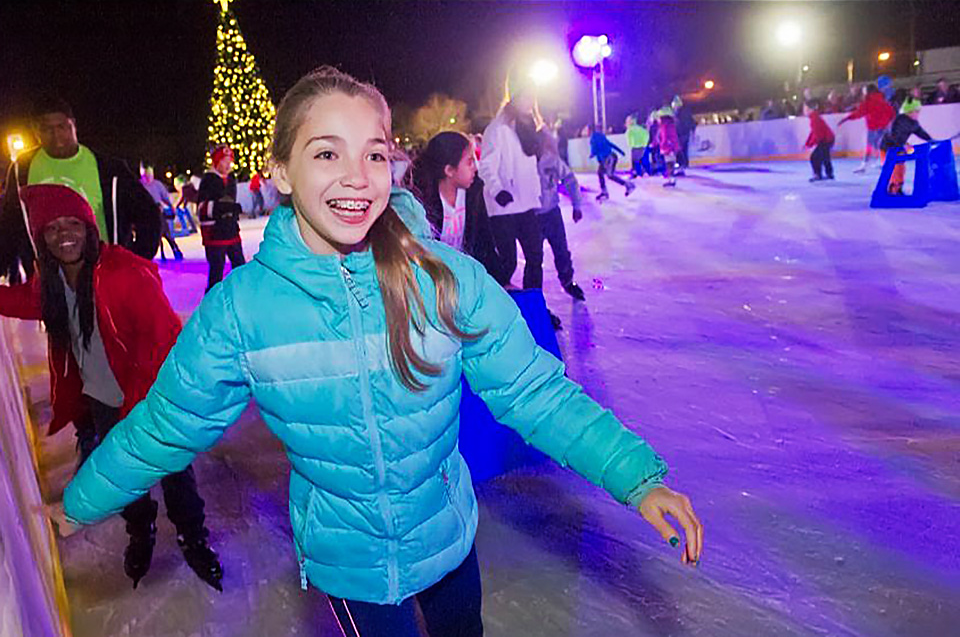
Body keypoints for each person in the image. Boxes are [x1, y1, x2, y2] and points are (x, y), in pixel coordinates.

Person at [63, 66, 703, 637]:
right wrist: (75, 505)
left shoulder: (441, 277)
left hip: (447, 539)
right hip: (352, 568)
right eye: (325, 153)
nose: (355, 178)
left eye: (373, 154)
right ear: (281, 172)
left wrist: (635, 478)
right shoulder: (242, 312)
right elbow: (165, 425)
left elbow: (534, 388)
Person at [0, 184, 223, 591]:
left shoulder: (124, 274)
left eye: (72, 224)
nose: (64, 234)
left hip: (152, 401)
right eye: (51, 228)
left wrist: (148, 410)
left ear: (89, 227)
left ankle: (194, 537)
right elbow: (16, 301)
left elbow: (166, 342)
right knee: (124, 478)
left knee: (175, 475)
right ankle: (141, 531)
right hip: (103, 401)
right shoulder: (51, 284)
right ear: (40, 238)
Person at [0, 95, 160, 283]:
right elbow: (9, 225)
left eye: (62, 127)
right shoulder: (22, 170)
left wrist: (133, 261)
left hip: (103, 276)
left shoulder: (107, 168)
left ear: (73, 125)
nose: (56, 136)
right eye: (47, 129)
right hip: (50, 281)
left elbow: (148, 215)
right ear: (36, 132)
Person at [478, 73, 545, 291]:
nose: (529, 101)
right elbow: (486, 165)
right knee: (508, 262)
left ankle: (534, 305)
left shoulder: (528, 128)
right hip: (504, 208)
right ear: (514, 98)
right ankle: (493, 306)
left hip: (526, 204)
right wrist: (498, 190)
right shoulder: (498, 128)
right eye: (525, 96)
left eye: (531, 97)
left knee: (535, 257)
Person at [412, 130, 502, 280]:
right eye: (469, 161)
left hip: (466, 279)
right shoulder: (422, 203)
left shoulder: (473, 194)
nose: (475, 167)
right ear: (449, 170)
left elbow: (484, 241)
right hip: (435, 283)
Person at [536, 129, 586, 302]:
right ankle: (535, 294)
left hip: (552, 213)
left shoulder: (552, 160)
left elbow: (570, 180)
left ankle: (568, 281)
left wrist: (577, 205)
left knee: (561, 250)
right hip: (531, 217)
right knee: (534, 258)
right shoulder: (522, 162)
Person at [198, 145, 245, 291]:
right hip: (215, 233)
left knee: (240, 265)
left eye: (229, 160)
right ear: (216, 162)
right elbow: (201, 209)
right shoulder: (208, 180)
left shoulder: (231, 179)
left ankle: (243, 293)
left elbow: (230, 202)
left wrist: (233, 211)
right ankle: (211, 301)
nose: (227, 164)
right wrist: (219, 208)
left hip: (231, 230)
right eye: (224, 161)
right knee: (217, 269)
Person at [881, 98, 934, 195]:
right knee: (893, 169)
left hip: (899, 148)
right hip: (888, 148)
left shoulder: (914, 123)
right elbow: (893, 135)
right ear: (909, 111)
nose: (918, 114)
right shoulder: (899, 120)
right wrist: (904, 145)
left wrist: (931, 140)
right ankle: (891, 188)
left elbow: (921, 133)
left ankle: (898, 188)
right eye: (916, 111)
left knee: (901, 168)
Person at [839, 84, 895, 174]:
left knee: (870, 145)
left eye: (864, 91)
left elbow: (858, 113)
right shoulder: (882, 100)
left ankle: (865, 164)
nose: (863, 93)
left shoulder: (867, 102)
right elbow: (891, 111)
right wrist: (889, 121)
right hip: (883, 126)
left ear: (868, 92)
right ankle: (882, 161)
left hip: (873, 127)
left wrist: (846, 118)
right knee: (879, 144)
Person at [141, 166, 183, 262]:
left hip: (158, 211)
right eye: (146, 175)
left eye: (150, 175)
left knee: (166, 232)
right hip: (146, 214)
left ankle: (176, 250)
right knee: (150, 235)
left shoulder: (157, 185)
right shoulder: (140, 185)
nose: (148, 178)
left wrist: (171, 206)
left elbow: (165, 197)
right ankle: (148, 255)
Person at [589, 125, 635, 201]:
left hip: (607, 158)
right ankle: (604, 192)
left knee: (609, 175)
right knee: (600, 173)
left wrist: (591, 154)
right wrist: (620, 151)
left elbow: (594, 149)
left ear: (590, 130)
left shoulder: (593, 138)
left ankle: (628, 185)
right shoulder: (601, 136)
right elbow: (610, 144)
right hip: (611, 156)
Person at [804, 99, 835, 182]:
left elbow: (818, 135)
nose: (804, 111)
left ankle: (818, 174)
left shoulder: (814, 118)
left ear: (810, 109)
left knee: (814, 157)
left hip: (825, 140)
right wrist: (808, 143)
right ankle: (829, 174)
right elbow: (813, 132)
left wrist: (811, 143)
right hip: (828, 139)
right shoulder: (814, 117)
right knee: (825, 157)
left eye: (805, 109)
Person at [655, 105, 682, 188]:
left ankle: (671, 180)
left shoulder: (666, 126)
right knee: (669, 163)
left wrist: (664, 145)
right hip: (670, 146)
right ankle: (671, 179)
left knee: (669, 164)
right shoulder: (668, 125)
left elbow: (666, 137)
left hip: (669, 147)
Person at [673, 96, 696, 173]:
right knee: (683, 149)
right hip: (684, 133)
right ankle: (684, 163)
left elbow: (680, 123)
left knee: (680, 149)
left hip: (681, 133)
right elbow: (692, 122)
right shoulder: (685, 112)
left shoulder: (679, 114)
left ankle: (682, 163)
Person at [626, 114, 651, 178]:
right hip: (642, 146)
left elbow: (629, 138)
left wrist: (631, 144)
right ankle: (644, 172)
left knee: (635, 161)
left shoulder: (630, 129)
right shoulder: (641, 129)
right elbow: (647, 135)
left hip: (635, 147)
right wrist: (644, 144)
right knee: (641, 160)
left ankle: (636, 173)